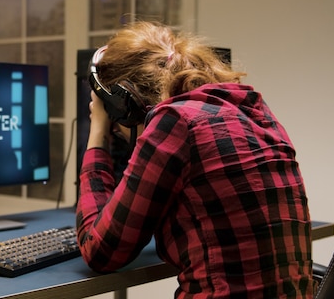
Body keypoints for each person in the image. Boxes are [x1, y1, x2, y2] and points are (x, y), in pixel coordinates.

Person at [76, 21, 313, 298]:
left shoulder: (174, 122)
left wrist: (97, 135)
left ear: (124, 105)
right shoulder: (258, 113)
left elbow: (100, 252)